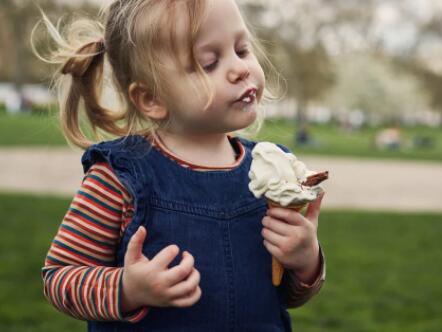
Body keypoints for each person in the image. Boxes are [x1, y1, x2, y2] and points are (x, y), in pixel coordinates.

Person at [33, 0, 327, 330]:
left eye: (242, 50)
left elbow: (281, 294)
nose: (240, 68)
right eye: (209, 62)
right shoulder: (118, 179)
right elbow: (59, 277)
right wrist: (128, 289)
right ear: (151, 99)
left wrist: (306, 261)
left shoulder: (272, 169)